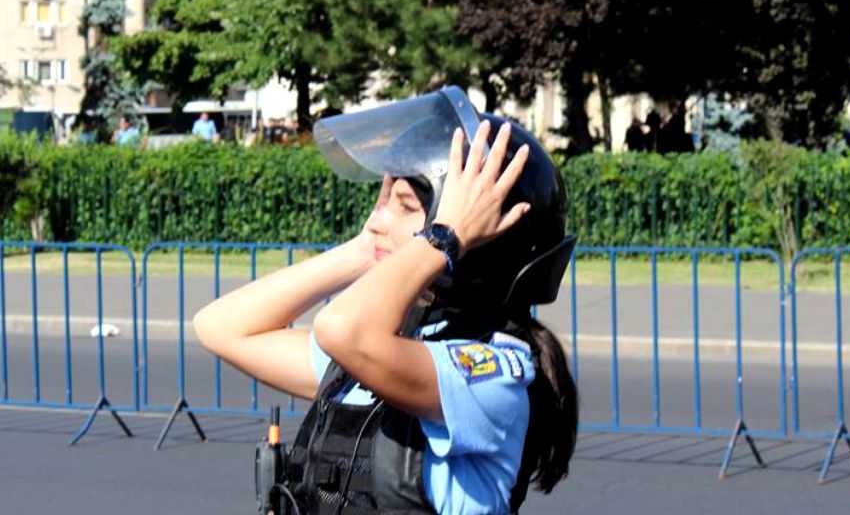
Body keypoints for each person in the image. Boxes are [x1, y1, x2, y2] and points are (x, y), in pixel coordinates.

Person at [193, 86, 578, 515]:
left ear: (477, 238)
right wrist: (365, 249)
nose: (377, 218)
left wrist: (444, 238)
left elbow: (342, 330)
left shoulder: (491, 376)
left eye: (405, 205)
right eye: (381, 201)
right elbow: (223, 327)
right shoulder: (386, 350)